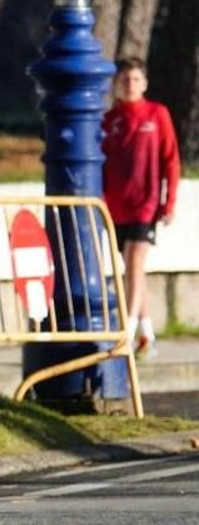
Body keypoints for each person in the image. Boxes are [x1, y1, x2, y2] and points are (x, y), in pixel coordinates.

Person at [102, 56, 180, 356]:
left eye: (135, 79)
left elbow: (170, 160)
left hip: (145, 204)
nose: (130, 85)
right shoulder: (109, 121)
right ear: (116, 85)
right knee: (132, 268)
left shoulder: (157, 114)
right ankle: (148, 334)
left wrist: (168, 201)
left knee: (135, 262)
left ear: (144, 83)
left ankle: (128, 328)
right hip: (115, 205)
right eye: (124, 80)